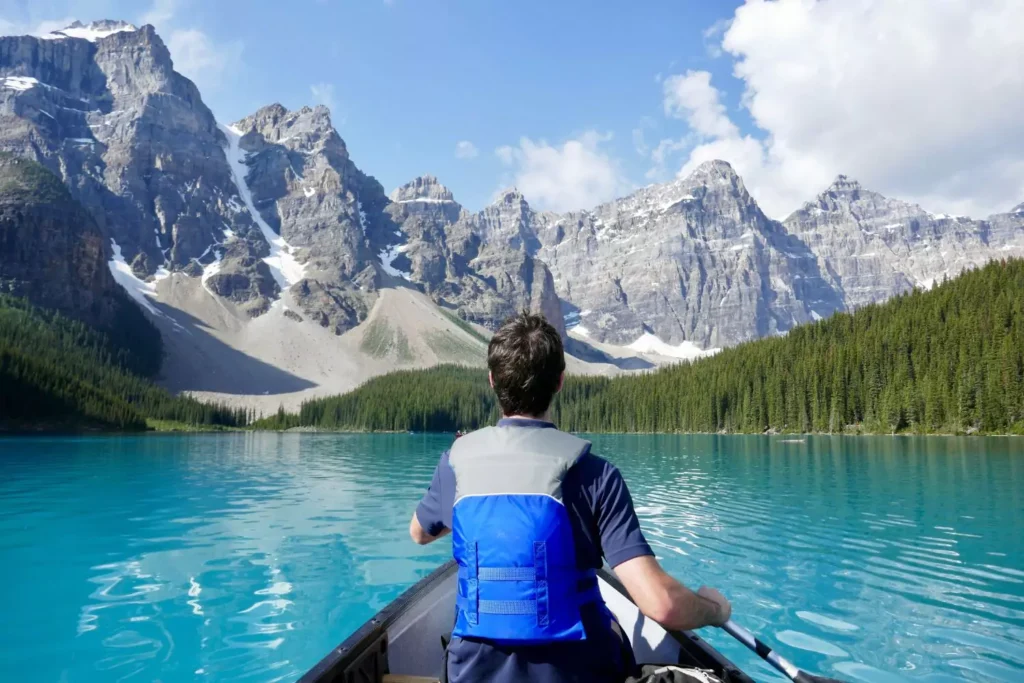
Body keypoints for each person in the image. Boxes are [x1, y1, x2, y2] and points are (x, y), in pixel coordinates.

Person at [410, 311, 732, 683]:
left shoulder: (456, 464)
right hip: (580, 671)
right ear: (561, 381)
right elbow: (660, 604)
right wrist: (714, 609)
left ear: (493, 380)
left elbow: (419, 533)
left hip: (474, 672)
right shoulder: (596, 474)